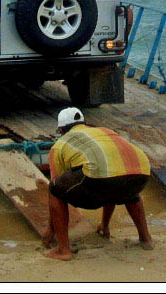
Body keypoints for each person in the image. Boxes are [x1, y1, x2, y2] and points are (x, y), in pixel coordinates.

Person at [42, 107, 153, 260]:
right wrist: (104, 225)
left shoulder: (60, 144)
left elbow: (56, 187)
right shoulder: (105, 131)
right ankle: (146, 239)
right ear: (84, 123)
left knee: (54, 188)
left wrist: (50, 229)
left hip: (100, 178)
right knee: (126, 187)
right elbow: (112, 176)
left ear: (61, 130)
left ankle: (63, 250)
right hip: (141, 173)